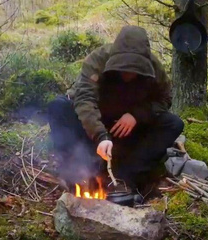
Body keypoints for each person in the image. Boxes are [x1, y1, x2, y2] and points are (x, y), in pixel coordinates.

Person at [47, 25, 184, 193]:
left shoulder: (155, 68)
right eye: (123, 69)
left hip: (127, 129)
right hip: (94, 124)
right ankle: (77, 174)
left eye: (134, 71)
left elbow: (165, 99)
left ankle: (125, 177)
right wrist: (100, 135)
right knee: (58, 107)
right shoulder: (97, 60)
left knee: (173, 124)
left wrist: (137, 115)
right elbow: (84, 100)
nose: (128, 75)